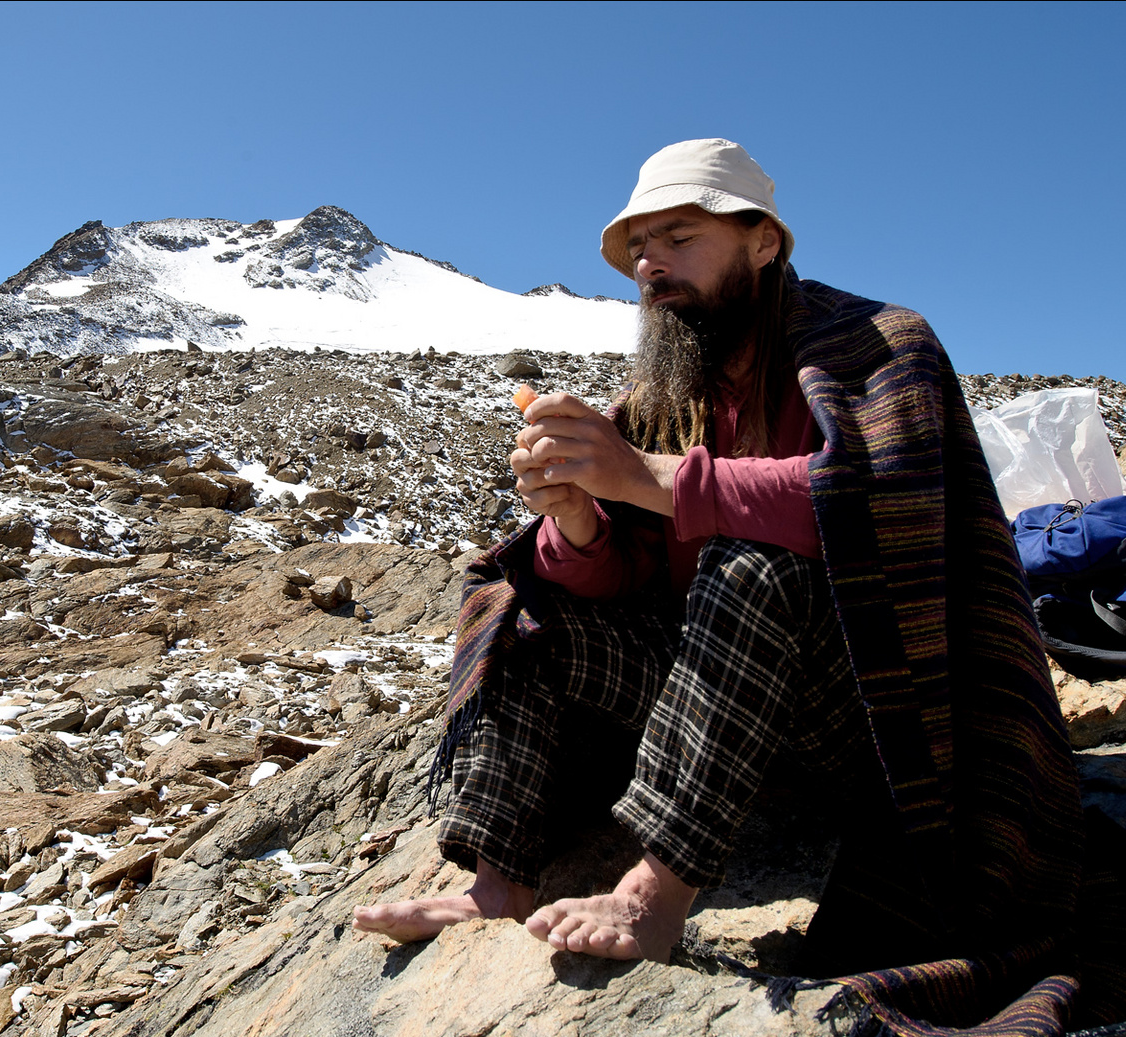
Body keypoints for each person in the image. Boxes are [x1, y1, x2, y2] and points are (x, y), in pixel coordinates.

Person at [353, 138, 1088, 977]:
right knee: (525, 606)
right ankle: (498, 882)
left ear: (763, 241)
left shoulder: (879, 347)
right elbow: (631, 577)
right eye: (639, 248)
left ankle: (654, 894)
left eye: (679, 237)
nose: (651, 265)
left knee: (752, 566)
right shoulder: (665, 395)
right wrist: (578, 524)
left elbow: (878, 509)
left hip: (875, 715)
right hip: (718, 708)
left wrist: (649, 477)